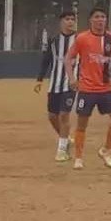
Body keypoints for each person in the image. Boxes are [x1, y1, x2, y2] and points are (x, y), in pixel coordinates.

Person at [66, 8, 111, 170]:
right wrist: (72, 79)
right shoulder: (82, 38)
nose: (100, 20)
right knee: (82, 124)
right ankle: (78, 158)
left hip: (106, 88)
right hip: (87, 88)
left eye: (103, 17)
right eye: (97, 17)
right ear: (91, 20)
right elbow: (68, 58)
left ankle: (105, 150)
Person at [34, 11, 78, 162]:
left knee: (64, 115)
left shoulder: (80, 40)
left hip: (71, 84)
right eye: (67, 19)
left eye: (73, 19)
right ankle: (65, 139)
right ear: (61, 22)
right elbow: (46, 60)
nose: (70, 22)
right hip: (54, 84)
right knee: (52, 116)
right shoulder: (54, 41)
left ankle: (62, 150)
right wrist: (39, 80)